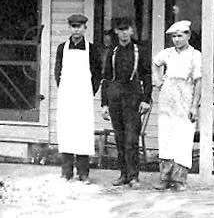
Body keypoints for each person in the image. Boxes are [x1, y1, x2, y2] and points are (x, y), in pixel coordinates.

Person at [100, 16, 152, 186]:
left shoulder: (140, 51)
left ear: (131, 30)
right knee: (120, 139)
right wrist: (104, 104)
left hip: (133, 98)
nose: (124, 33)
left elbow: (147, 75)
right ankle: (123, 174)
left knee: (131, 139)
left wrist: (146, 99)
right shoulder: (112, 52)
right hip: (115, 98)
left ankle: (134, 176)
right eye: (120, 30)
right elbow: (106, 79)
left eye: (126, 29)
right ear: (116, 31)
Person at [152, 20, 202, 191]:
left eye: (180, 36)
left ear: (188, 35)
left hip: (185, 95)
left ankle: (179, 179)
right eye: (174, 36)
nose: (177, 40)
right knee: (166, 135)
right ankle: (165, 177)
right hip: (168, 95)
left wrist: (194, 105)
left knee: (183, 137)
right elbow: (156, 63)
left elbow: (198, 81)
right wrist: (158, 80)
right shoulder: (167, 53)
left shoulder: (195, 55)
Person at [54, 13, 102, 182]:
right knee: (67, 131)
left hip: (84, 96)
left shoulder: (92, 48)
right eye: (73, 26)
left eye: (79, 26)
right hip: (67, 95)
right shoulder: (62, 48)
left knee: (83, 132)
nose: (76, 30)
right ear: (70, 28)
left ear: (84, 28)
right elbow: (57, 71)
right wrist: (64, 90)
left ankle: (83, 173)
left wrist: (90, 91)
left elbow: (97, 74)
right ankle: (66, 172)